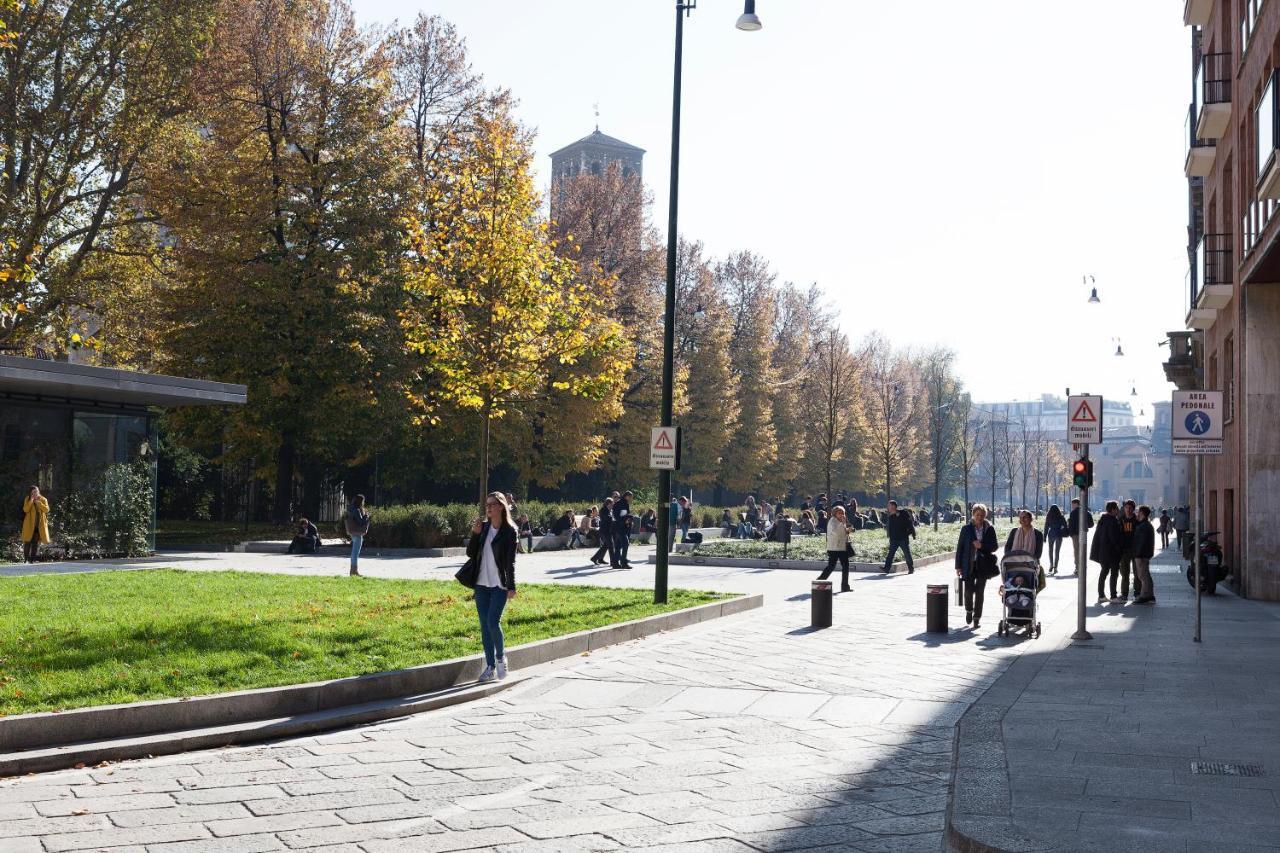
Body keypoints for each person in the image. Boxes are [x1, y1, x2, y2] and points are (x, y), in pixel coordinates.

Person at [467, 492, 518, 682]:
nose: (487, 508)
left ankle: (500, 658)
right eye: (486, 505)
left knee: (492, 622)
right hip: (481, 584)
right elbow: (471, 553)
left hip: (499, 584)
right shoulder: (485, 528)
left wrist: (511, 586)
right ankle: (489, 666)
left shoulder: (510, 531)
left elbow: (510, 562)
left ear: (501, 507)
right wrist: (475, 534)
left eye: (492, 505)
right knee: (484, 625)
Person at [955, 503, 999, 629]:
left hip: (983, 565)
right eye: (977, 514)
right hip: (968, 564)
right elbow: (960, 548)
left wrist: (982, 546)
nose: (979, 517)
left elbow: (994, 546)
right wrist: (958, 566)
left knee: (980, 592)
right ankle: (969, 610)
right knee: (968, 591)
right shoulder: (966, 529)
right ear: (973, 515)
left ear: (985, 515)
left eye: (982, 515)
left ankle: (977, 618)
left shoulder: (989, 528)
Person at [1090, 501, 1124, 603]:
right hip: (1112, 552)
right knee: (1114, 573)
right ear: (1113, 509)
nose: (1118, 510)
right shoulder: (1112, 521)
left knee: (1104, 572)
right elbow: (1113, 537)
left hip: (1102, 552)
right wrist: (1119, 549)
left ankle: (1101, 596)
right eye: (1116, 508)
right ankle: (1113, 596)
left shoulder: (1103, 520)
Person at [817, 504, 854, 593]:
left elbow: (842, 533)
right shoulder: (832, 521)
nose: (841, 515)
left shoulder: (840, 521)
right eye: (839, 513)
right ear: (835, 513)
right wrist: (843, 524)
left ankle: (845, 586)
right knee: (831, 566)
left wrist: (848, 530)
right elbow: (836, 532)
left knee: (846, 566)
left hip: (842, 547)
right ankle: (819, 581)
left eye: (843, 513)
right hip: (834, 548)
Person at [883, 500, 917, 574]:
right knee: (890, 554)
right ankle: (886, 568)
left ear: (893, 506)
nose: (888, 507)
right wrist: (890, 538)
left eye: (889, 506)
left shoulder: (903, 513)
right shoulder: (891, 516)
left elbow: (909, 524)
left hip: (903, 538)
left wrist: (910, 534)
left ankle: (911, 568)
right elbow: (890, 529)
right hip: (894, 539)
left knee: (907, 554)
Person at [1133, 505, 1156, 604]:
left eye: (1138, 512)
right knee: (1146, 575)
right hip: (1144, 554)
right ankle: (1150, 595)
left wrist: (1138, 554)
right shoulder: (1145, 525)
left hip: (1142, 555)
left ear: (1142, 513)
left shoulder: (1144, 526)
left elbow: (1141, 542)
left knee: (1142, 576)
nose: (1136, 514)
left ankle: (1144, 595)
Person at [21, 485, 50, 563]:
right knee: (27, 542)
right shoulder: (27, 499)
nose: (35, 493)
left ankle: (32, 560)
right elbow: (25, 510)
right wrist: (31, 501)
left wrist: (39, 503)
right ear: (30, 493)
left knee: (35, 543)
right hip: (29, 525)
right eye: (33, 492)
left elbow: (47, 510)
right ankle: (25, 560)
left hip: (39, 525)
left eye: (37, 491)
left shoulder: (43, 499)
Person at [344, 494, 371, 576]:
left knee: (354, 552)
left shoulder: (350, 509)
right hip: (358, 533)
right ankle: (354, 571)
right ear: (360, 501)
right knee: (355, 553)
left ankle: (353, 570)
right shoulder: (357, 510)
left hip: (352, 532)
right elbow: (361, 522)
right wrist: (367, 516)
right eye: (362, 501)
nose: (363, 503)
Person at [1118, 500, 1138, 601]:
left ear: (1133, 509)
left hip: (1135, 550)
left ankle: (1137, 593)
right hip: (1124, 550)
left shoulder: (1137, 520)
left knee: (1137, 573)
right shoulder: (1121, 520)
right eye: (1126, 508)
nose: (1128, 510)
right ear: (1124, 508)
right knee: (1124, 573)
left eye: (1130, 508)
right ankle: (1124, 594)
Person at [1067, 498, 1094, 574]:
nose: (1072, 506)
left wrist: (1071, 534)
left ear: (1076, 504)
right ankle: (1083, 566)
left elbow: (1071, 525)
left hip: (1075, 534)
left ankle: (1077, 567)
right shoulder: (1086, 512)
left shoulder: (1073, 513)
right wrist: (1085, 526)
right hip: (1083, 534)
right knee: (1083, 550)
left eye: (1073, 504)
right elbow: (1091, 524)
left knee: (1076, 550)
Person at [591, 497, 617, 567]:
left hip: (609, 530)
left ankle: (596, 558)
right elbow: (607, 518)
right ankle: (613, 562)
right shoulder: (603, 510)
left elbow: (611, 518)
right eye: (612, 504)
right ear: (608, 503)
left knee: (606, 546)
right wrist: (613, 519)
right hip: (604, 531)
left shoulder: (610, 510)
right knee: (611, 546)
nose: (613, 505)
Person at [1043, 504, 1068, 575]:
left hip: (1051, 534)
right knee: (1057, 552)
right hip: (1059, 534)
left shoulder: (1049, 517)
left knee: (1050, 550)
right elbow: (1065, 526)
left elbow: (1046, 527)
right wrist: (1062, 529)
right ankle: (1056, 567)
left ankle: (1051, 565)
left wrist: (1044, 537)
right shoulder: (1061, 516)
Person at [613, 490, 634, 568]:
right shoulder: (618, 504)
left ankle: (615, 563)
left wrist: (629, 519)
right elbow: (617, 516)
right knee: (625, 543)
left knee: (618, 546)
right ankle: (623, 562)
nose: (631, 499)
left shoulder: (626, 504)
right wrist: (626, 518)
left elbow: (626, 514)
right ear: (627, 496)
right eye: (631, 497)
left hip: (624, 527)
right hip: (619, 528)